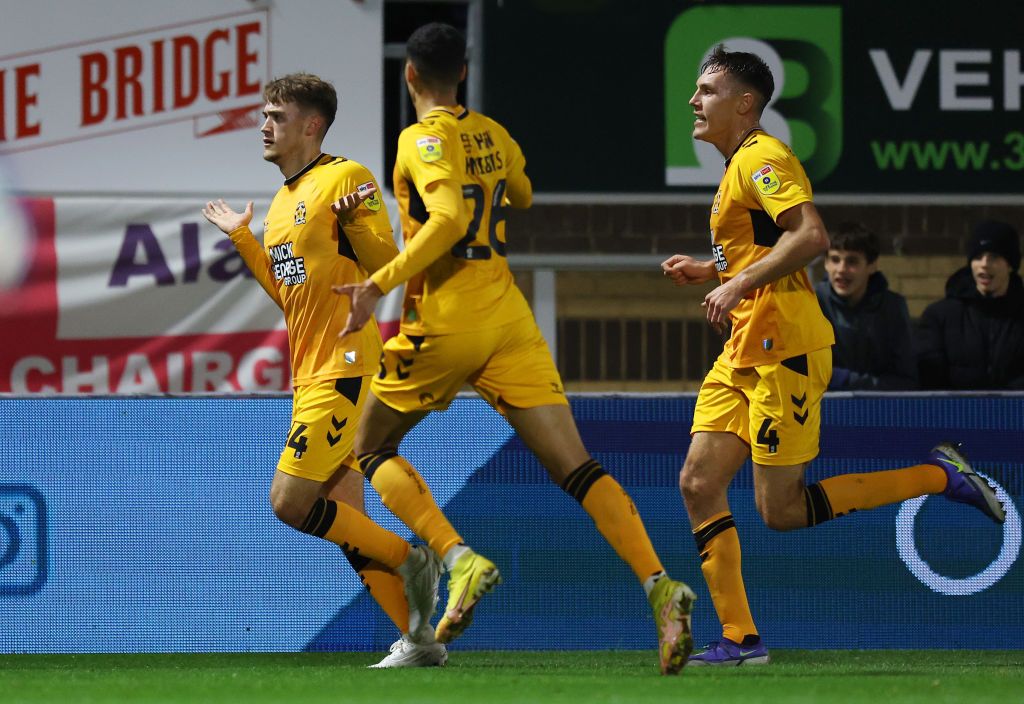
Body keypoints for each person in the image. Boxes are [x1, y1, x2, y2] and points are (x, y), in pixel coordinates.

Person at [334, 22, 696, 675]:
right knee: (578, 468)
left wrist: (378, 283)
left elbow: (445, 220)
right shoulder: (495, 134)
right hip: (508, 316)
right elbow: (521, 193)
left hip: (447, 316)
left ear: (410, 75)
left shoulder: (419, 138)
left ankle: (457, 558)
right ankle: (660, 587)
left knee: (369, 448)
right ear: (463, 73)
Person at [661, 45, 1005, 666]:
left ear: (745, 104)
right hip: (743, 349)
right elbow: (765, 245)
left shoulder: (763, 156)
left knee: (782, 512)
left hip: (783, 351)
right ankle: (740, 639)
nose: (694, 100)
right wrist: (713, 266)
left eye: (707, 90)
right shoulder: (741, 164)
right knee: (698, 481)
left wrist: (736, 283)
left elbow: (811, 235)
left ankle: (939, 475)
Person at [201, 73, 446, 668]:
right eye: (264, 115)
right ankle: (420, 641)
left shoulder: (346, 177)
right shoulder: (284, 201)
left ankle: (415, 559)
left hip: (346, 363)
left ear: (311, 125)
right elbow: (290, 295)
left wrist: (359, 225)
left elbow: (394, 267)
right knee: (344, 519)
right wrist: (243, 238)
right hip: (310, 371)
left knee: (289, 501)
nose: (264, 126)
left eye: (276, 116)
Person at [917, 220, 1024, 390]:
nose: (984, 263)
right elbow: (928, 378)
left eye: (994, 257)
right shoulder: (940, 316)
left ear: (1010, 265)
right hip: (955, 414)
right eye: (978, 257)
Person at [814, 222, 917, 390]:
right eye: (834, 259)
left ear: (872, 266)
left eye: (852, 261)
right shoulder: (812, 303)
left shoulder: (893, 307)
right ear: (826, 263)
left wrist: (846, 380)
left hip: (881, 408)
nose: (841, 269)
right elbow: (806, 373)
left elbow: (907, 380)